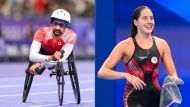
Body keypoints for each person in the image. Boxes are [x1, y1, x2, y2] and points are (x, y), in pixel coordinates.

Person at [97, 6, 178, 107]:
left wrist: (172, 87)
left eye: (151, 18)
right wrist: (126, 75)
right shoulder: (125, 46)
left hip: (156, 97)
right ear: (135, 22)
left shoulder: (162, 44)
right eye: (145, 18)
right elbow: (102, 72)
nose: (149, 21)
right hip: (133, 98)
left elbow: (173, 74)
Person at [28, 9, 77, 75]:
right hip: (43, 52)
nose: (57, 28)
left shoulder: (71, 36)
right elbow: (32, 56)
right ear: (51, 23)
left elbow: (61, 59)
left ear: (66, 26)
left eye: (61, 25)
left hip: (59, 54)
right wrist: (50, 57)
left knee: (59, 59)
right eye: (55, 23)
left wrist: (40, 64)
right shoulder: (41, 33)